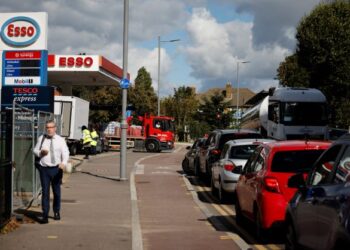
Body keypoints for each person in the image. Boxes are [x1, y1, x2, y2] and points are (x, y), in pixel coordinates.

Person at [33, 120, 69, 224]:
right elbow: (35, 150)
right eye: (47, 127)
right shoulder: (42, 138)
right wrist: (40, 152)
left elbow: (66, 152)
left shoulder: (60, 140)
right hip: (44, 169)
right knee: (45, 192)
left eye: (51, 127)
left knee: (56, 192)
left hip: (57, 169)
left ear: (55, 128)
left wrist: (64, 163)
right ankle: (45, 215)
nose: (49, 129)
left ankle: (56, 211)